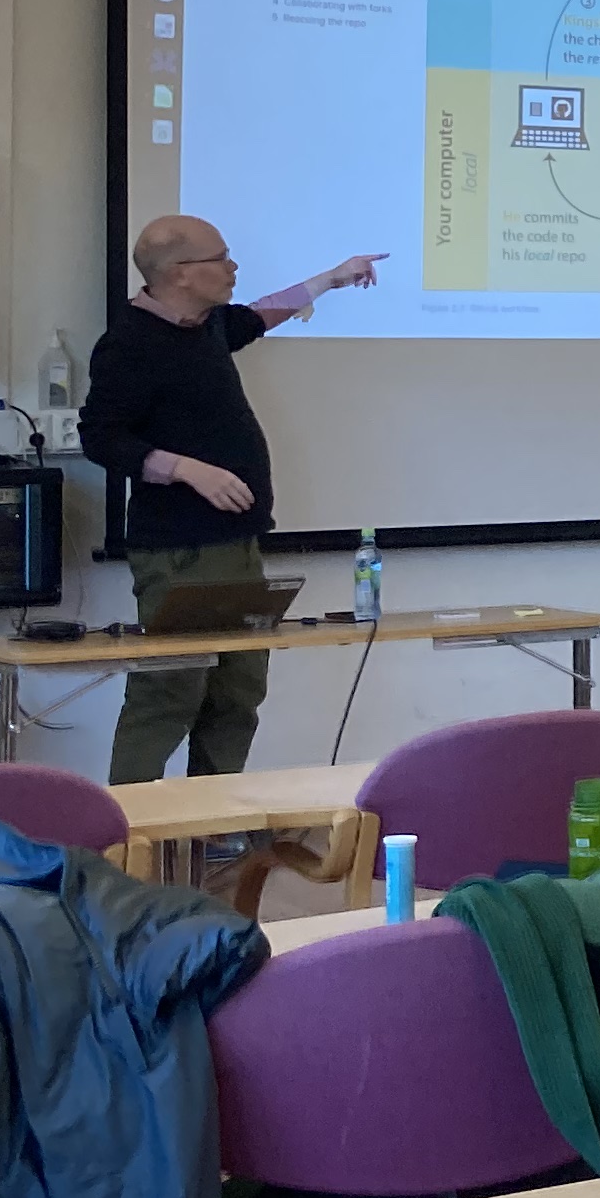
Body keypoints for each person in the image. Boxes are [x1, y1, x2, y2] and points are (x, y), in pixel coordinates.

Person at [79, 213, 385, 784]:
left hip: (236, 540)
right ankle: (130, 831)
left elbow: (258, 315)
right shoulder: (129, 343)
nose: (233, 267)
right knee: (171, 688)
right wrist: (186, 469)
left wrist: (332, 278)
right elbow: (101, 436)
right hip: (180, 550)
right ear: (180, 274)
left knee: (239, 687)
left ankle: (212, 824)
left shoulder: (207, 324)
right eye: (221, 258)